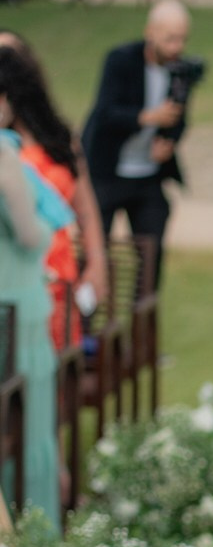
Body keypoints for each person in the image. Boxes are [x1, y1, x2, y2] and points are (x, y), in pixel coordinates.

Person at [0, 35, 108, 349]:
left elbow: (86, 210)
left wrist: (97, 261)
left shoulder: (58, 138)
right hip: (17, 274)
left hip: (61, 272)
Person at [80, 0, 192, 284]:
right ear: (150, 32)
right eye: (170, 39)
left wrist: (168, 144)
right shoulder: (121, 60)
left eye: (182, 39)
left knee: (151, 256)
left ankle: (144, 308)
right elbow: (105, 113)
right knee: (93, 251)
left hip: (148, 175)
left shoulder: (181, 70)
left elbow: (181, 119)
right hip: (108, 171)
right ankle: (88, 306)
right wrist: (148, 117)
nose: (177, 47)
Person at [0, 126, 72, 527]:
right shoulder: (4, 155)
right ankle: (31, 537)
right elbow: (28, 235)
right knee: (29, 429)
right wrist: (45, 231)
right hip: (15, 308)